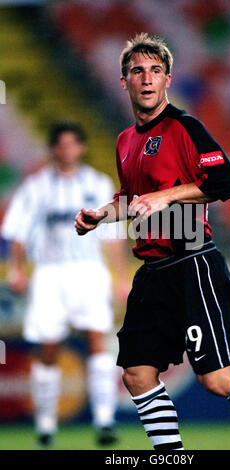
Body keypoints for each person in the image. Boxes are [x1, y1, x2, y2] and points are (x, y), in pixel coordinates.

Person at [75, 34, 230, 451]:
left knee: (218, 380)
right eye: (137, 71)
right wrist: (101, 215)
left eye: (155, 71)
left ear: (167, 80)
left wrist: (168, 194)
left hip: (192, 263)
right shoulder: (126, 140)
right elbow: (132, 199)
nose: (146, 79)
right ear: (123, 81)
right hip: (151, 274)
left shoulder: (185, 127)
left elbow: (225, 182)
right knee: (137, 374)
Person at [2, 121, 129, 447]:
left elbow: (113, 235)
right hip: (49, 272)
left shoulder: (97, 184)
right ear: (54, 149)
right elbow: (18, 231)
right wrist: (17, 270)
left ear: (81, 148)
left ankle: (104, 421)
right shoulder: (37, 186)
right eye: (61, 144)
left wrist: (121, 276)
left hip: (88, 269)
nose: (67, 150)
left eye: (73, 144)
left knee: (97, 342)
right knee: (47, 348)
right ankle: (45, 423)